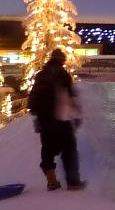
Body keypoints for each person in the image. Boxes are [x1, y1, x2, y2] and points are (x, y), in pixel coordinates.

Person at [28, 49, 85, 191]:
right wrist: (77, 114)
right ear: (62, 61)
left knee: (47, 149)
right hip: (61, 118)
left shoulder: (40, 75)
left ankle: (51, 181)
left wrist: (36, 116)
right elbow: (70, 96)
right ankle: (73, 183)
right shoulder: (63, 74)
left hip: (44, 120)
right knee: (69, 150)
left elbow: (33, 98)